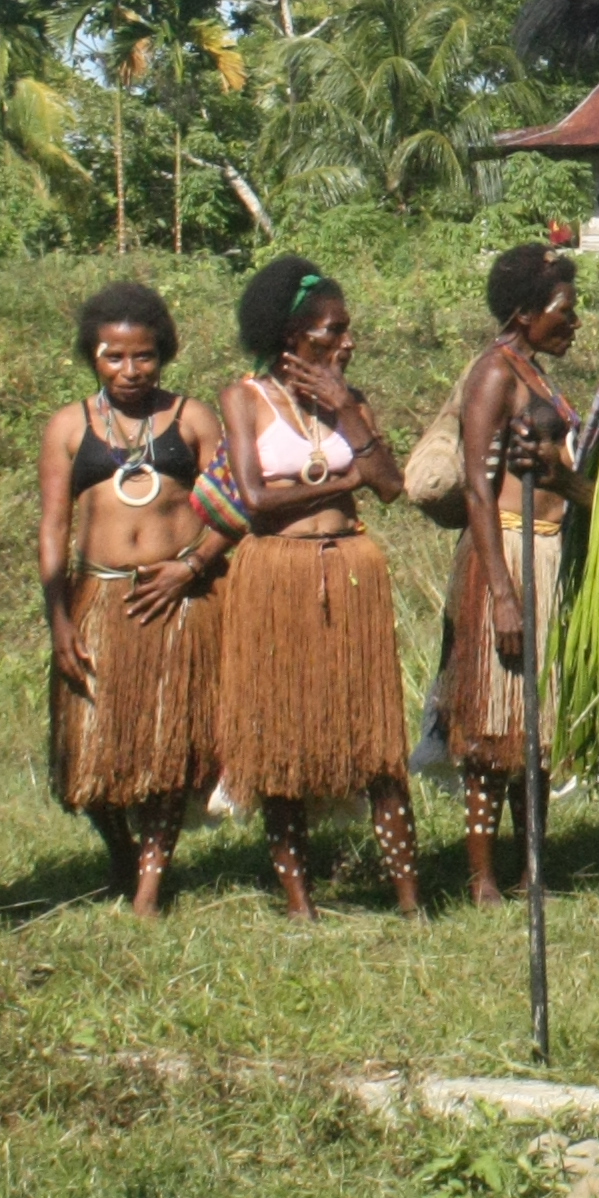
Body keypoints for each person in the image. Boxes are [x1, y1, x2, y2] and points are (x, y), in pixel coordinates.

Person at [204, 256, 421, 920]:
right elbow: (256, 495)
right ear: (292, 337)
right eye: (332, 332)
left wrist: (347, 417)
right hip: (277, 575)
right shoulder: (245, 398)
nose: (346, 343)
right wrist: (343, 479)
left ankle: (410, 898)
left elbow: (392, 484)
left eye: (348, 330)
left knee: (374, 740)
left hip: (350, 571)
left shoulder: (349, 402)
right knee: (282, 736)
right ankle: (299, 902)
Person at [36, 280, 222, 917]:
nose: (129, 370)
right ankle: (121, 854)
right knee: (91, 753)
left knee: (167, 745)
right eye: (113, 356)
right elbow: (53, 528)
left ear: (163, 352)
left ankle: (148, 887)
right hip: (99, 601)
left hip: (175, 602)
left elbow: (229, 508)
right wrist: (59, 618)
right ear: (92, 354)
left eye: (142, 356)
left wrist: (190, 569)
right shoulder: (68, 426)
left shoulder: (193, 419)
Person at [444, 245, 584, 907]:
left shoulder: (535, 371)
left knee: (537, 726)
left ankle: (533, 873)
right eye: (563, 309)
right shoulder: (494, 375)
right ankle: (482, 880)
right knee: (495, 725)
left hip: (548, 550)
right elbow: (477, 485)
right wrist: (502, 593)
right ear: (525, 314)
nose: (575, 320)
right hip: (507, 552)